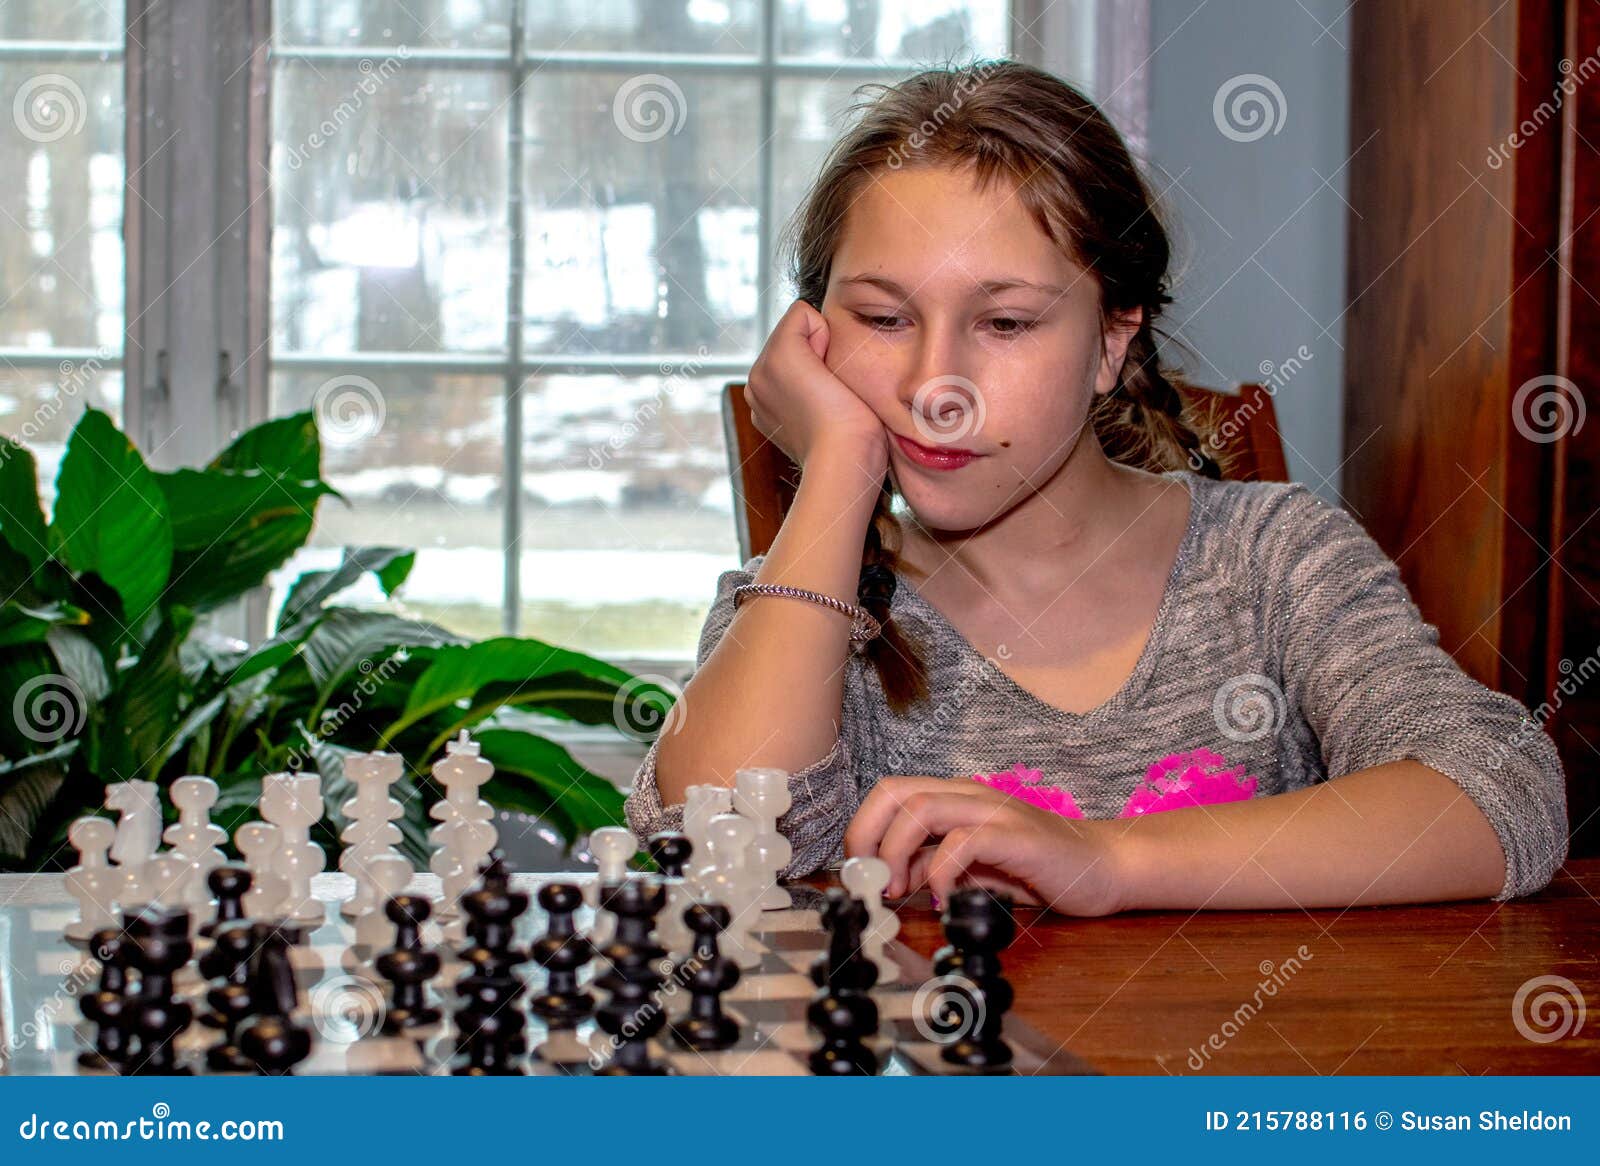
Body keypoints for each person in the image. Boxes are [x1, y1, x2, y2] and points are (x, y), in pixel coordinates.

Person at [623, 60, 1567, 916]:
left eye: (1004, 323)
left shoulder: (1270, 560)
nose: (933, 389)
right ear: (815, 339)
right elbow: (706, 855)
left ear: (1113, 339)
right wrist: (836, 469)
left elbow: (1501, 791)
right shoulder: (808, 605)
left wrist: (1107, 860)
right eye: (881, 317)